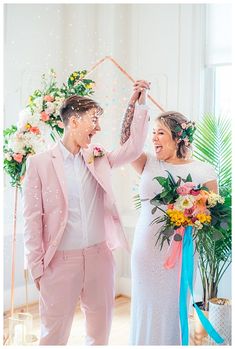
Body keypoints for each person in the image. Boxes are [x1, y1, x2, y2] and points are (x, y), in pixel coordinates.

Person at [22, 80, 150, 345]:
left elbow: (134, 148)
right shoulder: (39, 163)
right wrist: (37, 269)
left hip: (100, 260)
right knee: (53, 337)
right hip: (59, 264)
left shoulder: (98, 157)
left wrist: (140, 103)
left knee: (99, 336)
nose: (98, 127)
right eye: (93, 120)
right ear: (74, 121)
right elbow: (32, 220)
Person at [120, 110, 218, 345]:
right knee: (145, 306)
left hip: (181, 251)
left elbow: (213, 211)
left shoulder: (204, 170)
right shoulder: (147, 162)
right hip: (146, 250)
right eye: (153, 132)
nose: (153, 138)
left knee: (174, 307)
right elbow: (125, 141)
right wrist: (137, 103)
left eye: (160, 132)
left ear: (178, 138)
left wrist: (194, 213)